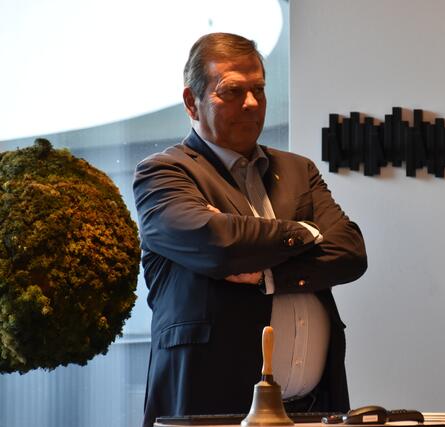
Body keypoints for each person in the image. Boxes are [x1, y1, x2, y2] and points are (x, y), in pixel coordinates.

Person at [133, 32, 367, 427]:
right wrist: (307, 232)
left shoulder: (298, 170)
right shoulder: (164, 174)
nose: (252, 103)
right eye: (233, 91)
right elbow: (218, 245)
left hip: (314, 408)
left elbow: (350, 252)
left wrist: (266, 275)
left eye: (258, 89)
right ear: (192, 101)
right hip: (211, 406)